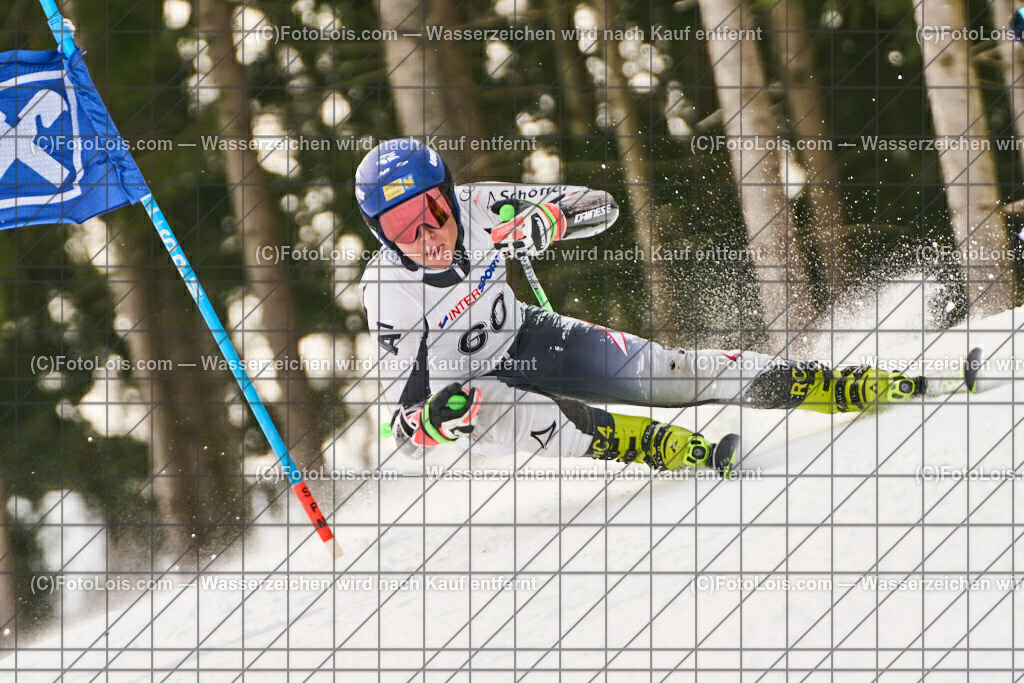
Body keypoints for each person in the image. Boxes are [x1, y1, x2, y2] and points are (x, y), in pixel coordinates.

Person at [355, 138, 925, 477]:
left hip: (528, 336)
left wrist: (552, 218)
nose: (426, 235)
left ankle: (831, 385)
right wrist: (430, 422)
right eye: (401, 229)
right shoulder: (388, 293)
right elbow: (405, 431)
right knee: (494, 407)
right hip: (475, 385)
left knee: (669, 373)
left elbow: (599, 205)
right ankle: (650, 445)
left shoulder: (482, 205)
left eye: (432, 209)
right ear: (383, 239)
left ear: (451, 193)